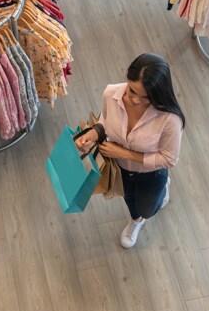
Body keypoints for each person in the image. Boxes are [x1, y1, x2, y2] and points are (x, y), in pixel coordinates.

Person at [76, 53, 185, 248]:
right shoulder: (110, 93)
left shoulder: (170, 119)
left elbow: (169, 159)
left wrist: (125, 154)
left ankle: (162, 187)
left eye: (145, 98)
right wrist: (93, 133)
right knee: (131, 201)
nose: (134, 100)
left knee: (149, 209)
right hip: (121, 170)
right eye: (131, 90)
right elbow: (104, 121)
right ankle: (135, 221)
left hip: (152, 173)